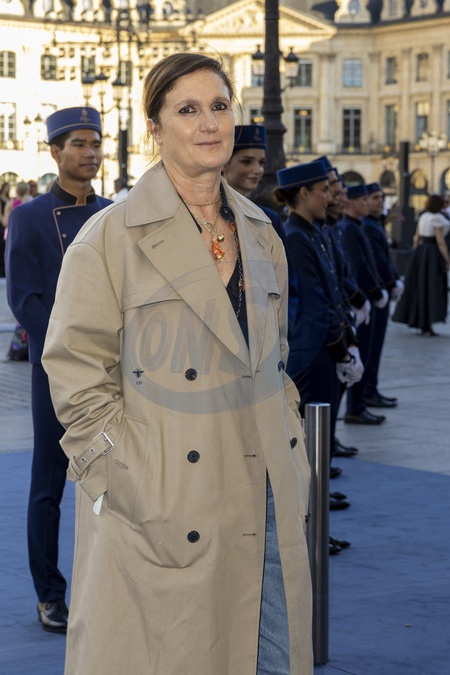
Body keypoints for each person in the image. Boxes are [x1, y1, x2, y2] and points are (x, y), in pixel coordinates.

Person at [42, 53, 313, 674]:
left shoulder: (262, 232)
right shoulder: (109, 238)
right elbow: (75, 371)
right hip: (165, 497)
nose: (209, 123)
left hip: (264, 487)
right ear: (155, 128)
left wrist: (293, 448)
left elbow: (275, 357)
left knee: (267, 652)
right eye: (188, 109)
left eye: (219, 106)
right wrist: (125, 474)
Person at [5, 106, 111, 634]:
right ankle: (49, 593)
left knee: (115, 479)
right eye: (79, 144)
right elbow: (24, 300)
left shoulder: (113, 213)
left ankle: (110, 585)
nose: (91, 153)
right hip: (57, 371)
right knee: (49, 484)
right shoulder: (28, 217)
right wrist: (72, 352)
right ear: (55, 152)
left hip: (112, 371)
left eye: (96, 143)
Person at [273, 160, 364, 509]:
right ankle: (312, 515)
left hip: (325, 348)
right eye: (323, 190)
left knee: (322, 435)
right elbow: (314, 303)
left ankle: (319, 500)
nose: (330, 196)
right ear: (303, 192)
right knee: (311, 437)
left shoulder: (312, 231)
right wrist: (342, 350)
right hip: (313, 353)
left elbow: (334, 291)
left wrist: (348, 341)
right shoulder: (296, 237)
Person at [339, 184, 389, 425]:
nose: (370, 203)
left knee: (370, 350)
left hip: (367, 298)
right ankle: (357, 405)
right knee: (364, 350)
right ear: (352, 202)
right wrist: (371, 292)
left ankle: (363, 399)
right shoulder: (350, 227)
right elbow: (359, 267)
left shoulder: (357, 225)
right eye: (365, 199)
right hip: (361, 300)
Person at [362, 182, 402, 407]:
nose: (379, 202)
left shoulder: (374, 223)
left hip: (381, 291)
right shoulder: (367, 225)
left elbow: (385, 258)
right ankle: (367, 392)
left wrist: (394, 280)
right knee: (371, 346)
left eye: (381, 198)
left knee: (375, 347)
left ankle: (371, 389)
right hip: (375, 293)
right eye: (375, 198)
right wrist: (388, 283)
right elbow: (375, 262)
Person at [392, 193, 450, 335]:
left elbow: (416, 237)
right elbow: (440, 241)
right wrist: (447, 259)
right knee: (432, 287)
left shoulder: (423, 217)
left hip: (421, 252)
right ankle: (429, 321)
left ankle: (421, 321)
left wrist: (416, 254)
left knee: (420, 287)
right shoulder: (437, 219)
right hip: (432, 253)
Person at [222, 123, 285, 242]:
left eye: (261, 162)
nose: (257, 170)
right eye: (246, 162)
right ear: (225, 164)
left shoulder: (269, 219)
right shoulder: (211, 216)